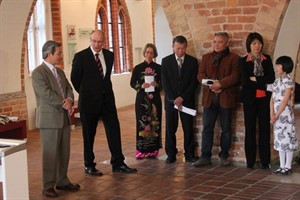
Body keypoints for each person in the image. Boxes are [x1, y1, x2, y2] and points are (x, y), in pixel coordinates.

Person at [71, 29, 137, 175]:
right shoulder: (80, 57)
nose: (96, 44)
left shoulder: (109, 55)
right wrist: (87, 93)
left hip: (107, 100)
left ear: (104, 41)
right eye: (94, 41)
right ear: (90, 40)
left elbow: (105, 78)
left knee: (114, 130)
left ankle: (118, 163)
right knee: (89, 134)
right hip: (89, 102)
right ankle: (89, 165)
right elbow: (75, 80)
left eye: (100, 42)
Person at [32, 40, 80, 198]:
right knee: (50, 154)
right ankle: (48, 186)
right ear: (49, 54)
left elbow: (68, 88)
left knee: (64, 152)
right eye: (58, 53)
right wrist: (63, 103)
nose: (61, 56)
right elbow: (45, 94)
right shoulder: (38, 73)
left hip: (63, 118)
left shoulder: (59, 72)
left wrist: (70, 100)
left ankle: (62, 181)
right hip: (49, 120)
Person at [193, 32, 240, 167]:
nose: (216, 44)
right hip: (209, 98)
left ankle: (224, 155)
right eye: (214, 41)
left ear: (227, 43)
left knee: (226, 129)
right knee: (207, 128)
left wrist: (221, 84)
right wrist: (212, 85)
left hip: (226, 98)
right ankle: (205, 156)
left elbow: (235, 76)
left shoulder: (234, 58)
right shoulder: (206, 57)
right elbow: (200, 75)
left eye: (220, 42)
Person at [239, 32, 275, 169]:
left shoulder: (267, 59)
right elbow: (245, 82)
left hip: (265, 99)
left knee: (265, 129)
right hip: (249, 100)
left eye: (259, 43)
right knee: (250, 129)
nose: (257, 46)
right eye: (254, 43)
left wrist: (257, 79)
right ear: (249, 45)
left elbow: (271, 78)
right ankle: (250, 161)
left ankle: (265, 161)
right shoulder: (243, 61)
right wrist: (263, 83)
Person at [161, 35, 199, 163]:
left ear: (186, 47)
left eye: (183, 48)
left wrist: (182, 97)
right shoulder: (166, 61)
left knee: (188, 128)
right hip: (170, 101)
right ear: (173, 47)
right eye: (178, 48)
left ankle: (189, 154)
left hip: (186, 100)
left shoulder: (193, 62)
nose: (180, 51)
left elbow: (194, 83)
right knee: (170, 128)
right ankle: (171, 154)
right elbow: (165, 83)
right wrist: (173, 98)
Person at [130, 43, 162, 159]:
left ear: (154, 54)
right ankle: (141, 150)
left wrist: (157, 84)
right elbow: (132, 83)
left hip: (155, 100)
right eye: (147, 52)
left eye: (151, 53)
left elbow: (163, 84)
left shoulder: (159, 68)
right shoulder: (138, 68)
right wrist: (141, 86)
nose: (149, 55)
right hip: (142, 100)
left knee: (154, 124)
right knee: (142, 124)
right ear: (144, 53)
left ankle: (153, 150)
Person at [271, 56, 298, 175]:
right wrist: (272, 113)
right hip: (276, 114)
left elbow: (285, 100)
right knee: (279, 139)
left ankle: (288, 166)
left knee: (287, 139)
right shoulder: (276, 82)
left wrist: (277, 115)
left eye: (279, 65)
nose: (276, 67)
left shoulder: (289, 82)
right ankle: (282, 165)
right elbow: (271, 99)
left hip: (285, 114)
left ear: (285, 67)